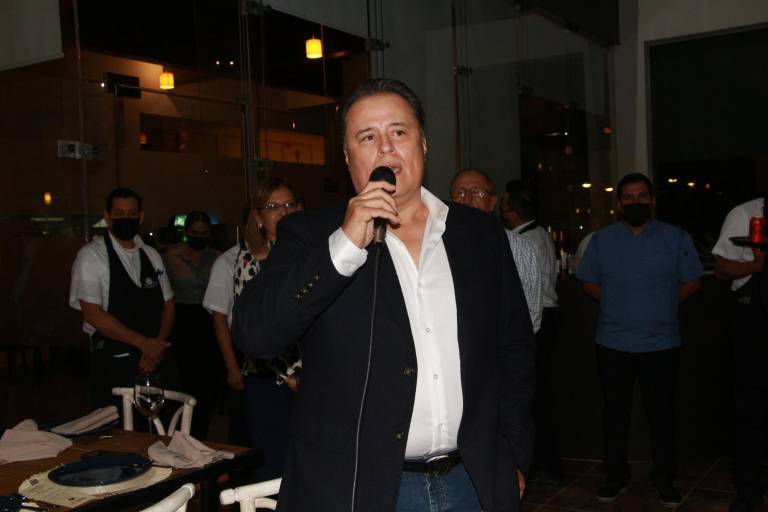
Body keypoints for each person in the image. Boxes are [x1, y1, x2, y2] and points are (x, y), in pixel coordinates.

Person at [233, 78, 535, 512]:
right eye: (367, 137)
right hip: (360, 487)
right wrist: (344, 245)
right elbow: (256, 334)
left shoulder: (479, 233)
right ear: (347, 158)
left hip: (474, 480)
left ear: (423, 144)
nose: (386, 148)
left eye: (399, 131)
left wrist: (514, 454)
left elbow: (514, 350)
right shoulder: (309, 235)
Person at [576, 173, 703, 506]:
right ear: (619, 203)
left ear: (653, 201)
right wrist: (616, 303)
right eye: (629, 197)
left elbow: (692, 280)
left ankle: (664, 478)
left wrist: (663, 303)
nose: (636, 202)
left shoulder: (676, 238)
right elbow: (587, 280)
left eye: (642, 196)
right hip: (613, 342)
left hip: (661, 344)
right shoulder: (602, 240)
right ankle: (615, 476)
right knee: (614, 415)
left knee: (662, 416)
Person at [203, 177, 301, 479]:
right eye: (273, 206)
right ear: (257, 217)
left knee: (308, 465)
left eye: (289, 205)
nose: (284, 212)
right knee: (274, 466)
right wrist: (287, 377)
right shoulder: (246, 262)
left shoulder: (312, 255)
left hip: (311, 377)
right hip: (268, 378)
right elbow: (256, 330)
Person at [69, 187, 177, 409]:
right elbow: (93, 314)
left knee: (166, 423)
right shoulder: (91, 256)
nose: (126, 219)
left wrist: (155, 347)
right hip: (115, 361)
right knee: (119, 426)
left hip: (156, 358)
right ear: (108, 216)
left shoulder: (151, 255)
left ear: (141, 217)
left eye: (132, 213)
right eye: (119, 214)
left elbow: (168, 306)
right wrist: (143, 344)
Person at [501, 179, 562, 484]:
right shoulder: (542, 236)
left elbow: (527, 299)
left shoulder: (521, 242)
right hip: (546, 317)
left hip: (536, 321)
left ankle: (540, 464)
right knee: (541, 396)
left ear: (511, 212)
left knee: (533, 399)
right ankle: (546, 464)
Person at [712, 195, 768, 512]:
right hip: (754, 320)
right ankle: (749, 491)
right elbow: (721, 268)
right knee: (750, 408)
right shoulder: (745, 213)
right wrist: (755, 266)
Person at [449, 168, 542, 332]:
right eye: (460, 192)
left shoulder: (518, 247)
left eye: (477, 192)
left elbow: (531, 313)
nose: (467, 199)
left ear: (492, 202)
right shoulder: (436, 244)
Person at [162, 211, 222, 439]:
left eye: (204, 233)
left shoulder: (218, 258)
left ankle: (200, 435)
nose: (199, 236)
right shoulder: (171, 258)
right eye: (195, 232)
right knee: (183, 382)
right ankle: (179, 435)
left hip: (209, 324)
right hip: (182, 325)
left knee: (207, 386)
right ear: (186, 232)